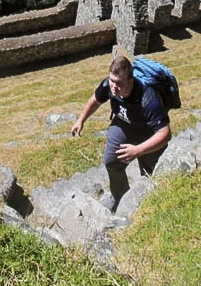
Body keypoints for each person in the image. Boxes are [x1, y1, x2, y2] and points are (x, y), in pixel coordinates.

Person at [71, 54, 171, 212]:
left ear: (130, 81)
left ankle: (154, 206)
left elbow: (165, 134)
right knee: (111, 162)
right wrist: (81, 120)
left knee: (152, 173)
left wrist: (138, 150)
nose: (113, 87)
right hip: (123, 125)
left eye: (118, 83)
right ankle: (121, 198)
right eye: (111, 81)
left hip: (149, 134)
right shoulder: (109, 86)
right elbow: (96, 99)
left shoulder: (147, 96)